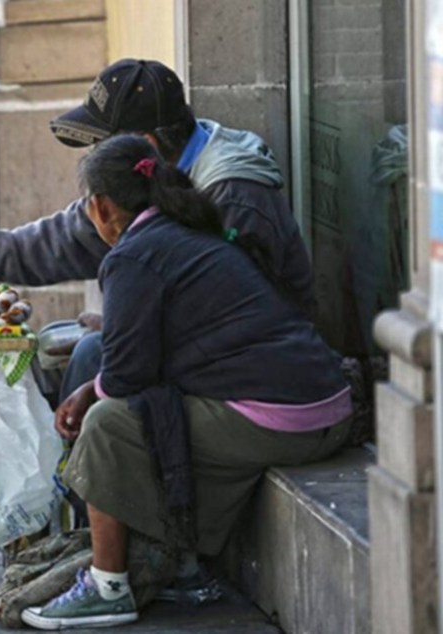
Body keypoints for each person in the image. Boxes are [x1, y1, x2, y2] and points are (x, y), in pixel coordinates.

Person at [18, 135, 351, 630]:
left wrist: (90, 393)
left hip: (285, 419)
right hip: (327, 406)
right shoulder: (190, 230)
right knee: (151, 407)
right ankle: (181, 564)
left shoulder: (133, 256)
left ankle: (108, 587)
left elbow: (125, 378)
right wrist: (96, 384)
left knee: (108, 424)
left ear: (101, 207)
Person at [0, 59, 315, 401]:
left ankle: (84, 476)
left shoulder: (235, 195)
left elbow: (241, 316)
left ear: (145, 144)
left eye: (101, 145)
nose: (94, 156)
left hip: (260, 372)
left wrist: (134, 330)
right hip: (200, 344)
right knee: (54, 348)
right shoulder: (146, 177)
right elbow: (67, 236)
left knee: (91, 360)